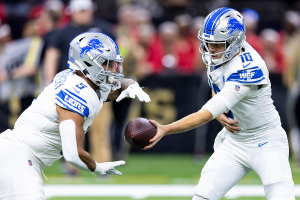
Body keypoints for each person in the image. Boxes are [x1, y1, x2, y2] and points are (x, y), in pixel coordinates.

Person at [144, 7, 295, 200]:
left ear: (235, 41)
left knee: (281, 196)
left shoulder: (249, 68)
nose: (210, 49)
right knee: (202, 196)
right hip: (236, 142)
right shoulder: (218, 54)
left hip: (266, 140)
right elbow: (217, 84)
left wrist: (167, 129)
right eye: (207, 43)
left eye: (217, 44)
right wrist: (220, 108)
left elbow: (206, 113)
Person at [0, 32, 150, 199]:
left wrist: (131, 84)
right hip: (18, 155)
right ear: (89, 63)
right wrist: (96, 167)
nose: (113, 70)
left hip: (14, 153)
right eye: (107, 64)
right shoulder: (76, 96)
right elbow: (73, 154)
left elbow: (109, 91)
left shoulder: (80, 80)